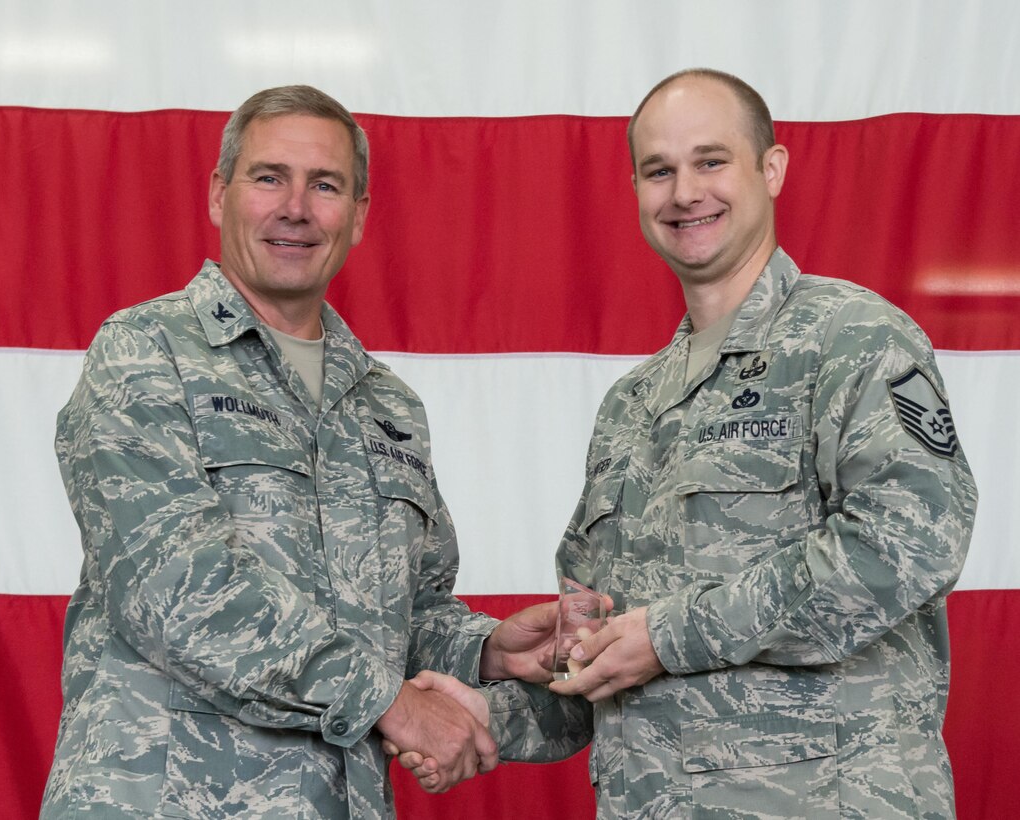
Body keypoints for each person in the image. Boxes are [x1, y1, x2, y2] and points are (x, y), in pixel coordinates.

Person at [400, 68, 978, 818]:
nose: (684, 193)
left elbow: (907, 545)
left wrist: (672, 633)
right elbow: (605, 653)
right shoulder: (632, 405)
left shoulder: (854, 338)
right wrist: (489, 716)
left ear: (771, 169)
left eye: (710, 161)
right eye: (658, 171)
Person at [40, 84, 578, 820]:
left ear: (356, 216)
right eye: (269, 178)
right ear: (219, 195)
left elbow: (399, 612)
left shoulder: (386, 405)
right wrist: (393, 705)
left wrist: (486, 651)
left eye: (324, 186)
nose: (295, 208)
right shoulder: (145, 352)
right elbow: (176, 587)